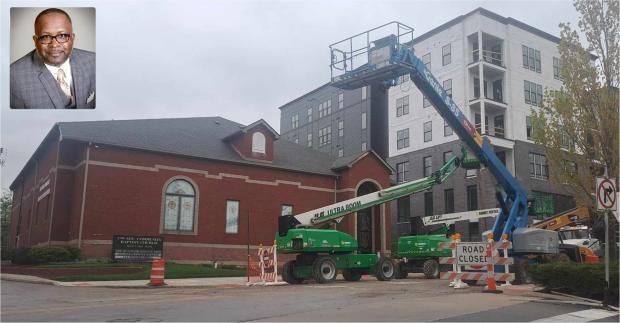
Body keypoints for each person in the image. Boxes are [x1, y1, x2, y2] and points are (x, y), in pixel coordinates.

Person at [10, 8, 95, 109]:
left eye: (62, 36)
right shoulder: (13, 77)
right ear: (35, 41)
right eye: (45, 37)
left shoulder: (94, 61)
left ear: (72, 38)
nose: (54, 45)